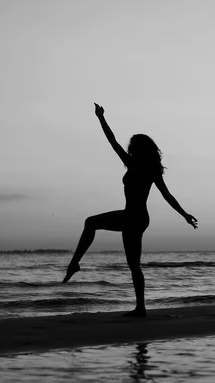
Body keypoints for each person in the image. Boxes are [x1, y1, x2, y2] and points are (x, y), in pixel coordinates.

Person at [63, 103, 198, 317]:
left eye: (133, 144)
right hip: (136, 218)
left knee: (91, 222)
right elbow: (112, 141)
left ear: (140, 147)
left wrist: (184, 215)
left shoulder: (149, 169)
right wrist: (101, 118)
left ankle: (74, 264)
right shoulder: (134, 163)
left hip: (134, 217)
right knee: (134, 264)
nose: (129, 147)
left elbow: (167, 195)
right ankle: (141, 308)